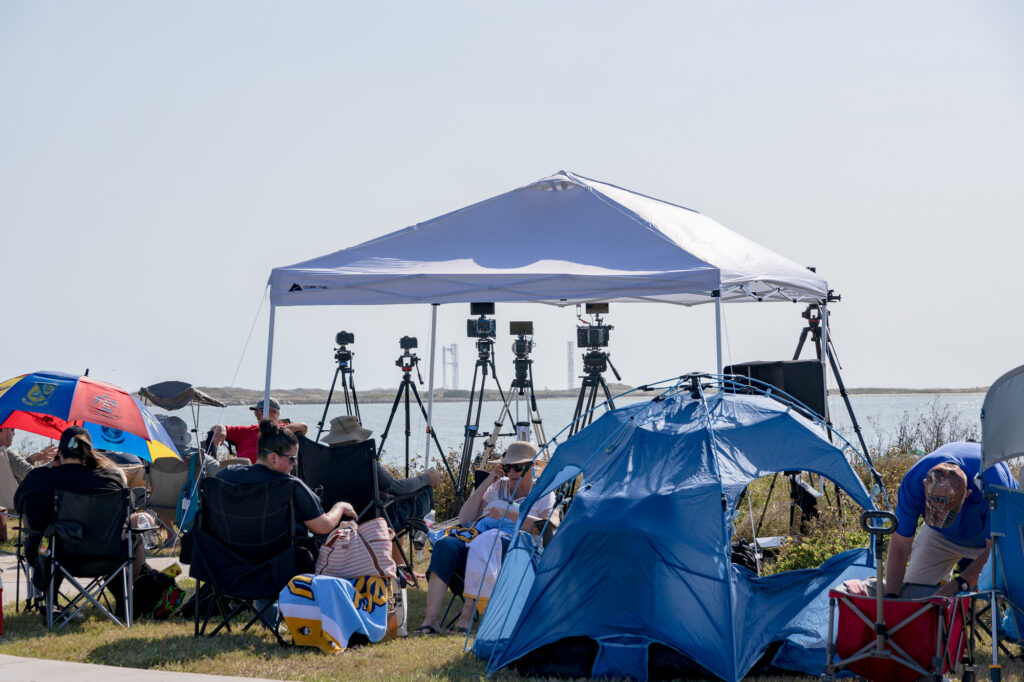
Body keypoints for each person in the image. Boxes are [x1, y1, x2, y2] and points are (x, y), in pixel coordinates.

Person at [415, 441, 554, 635]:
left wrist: (511, 513)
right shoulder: (498, 487)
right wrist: (489, 481)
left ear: (533, 469)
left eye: (518, 467)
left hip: (513, 551)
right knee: (445, 545)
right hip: (477, 540)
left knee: (487, 541)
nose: (511, 472)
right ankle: (430, 621)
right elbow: (465, 519)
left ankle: (467, 613)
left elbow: (549, 527)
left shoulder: (543, 493)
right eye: (507, 467)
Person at [14, 426, 151, 617]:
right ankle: (124, 602)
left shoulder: (39, 478)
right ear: (88, 453)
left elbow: (19, 506)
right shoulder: (110, 479)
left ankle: (51, 601)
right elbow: (128, 510)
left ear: (59, 453)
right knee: (131, 538)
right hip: (107, 556)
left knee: (47, 537)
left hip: (53, 556)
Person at [884, 441, 1018, 599]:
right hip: (940, 536)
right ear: (925, 485)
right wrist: (891, 598)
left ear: (967, 494)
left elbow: (994, 553)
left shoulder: (992, 484)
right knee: (916, 594)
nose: (940, 516)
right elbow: (900, 545)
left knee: (1013, 590)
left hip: (993, 541)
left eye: (947, 513)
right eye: (934, 511)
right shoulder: (913, 482)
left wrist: (957, 585)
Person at [217, 420, 355, 538]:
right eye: (292, 458)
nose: (294, 463)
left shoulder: (225, 476)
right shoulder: (291, 486)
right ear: (273, 458)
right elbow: (322, 527)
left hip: (226, 560)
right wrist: (341, 506)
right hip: (279, 562)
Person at [319, 414, 442, 533]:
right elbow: (400, 488)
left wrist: (374, 492)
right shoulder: (363, 462)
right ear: (353, 441)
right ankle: (425, 535)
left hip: (335, 520)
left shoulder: (321, 463)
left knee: (389, 498)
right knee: (426, 492)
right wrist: (427, 478)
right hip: (373, 521)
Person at [210, 397, 307, 464]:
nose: (256, 415)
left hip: (271, 477)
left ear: (273, 412)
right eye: (255, 412)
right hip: (243, 475)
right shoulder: (247, 431)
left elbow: (303, 427)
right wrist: (221, 428)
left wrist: (277, 431)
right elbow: (216, 427)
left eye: (260, 411)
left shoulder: (284, 428)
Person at [0, 427, 58, 510]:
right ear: (4, 430)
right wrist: (57, 460)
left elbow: (9, 476)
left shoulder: (6, 458)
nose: (14, 433)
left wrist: (30, 459)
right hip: (16, 510)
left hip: (3, 510)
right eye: (12, 430)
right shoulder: (7, 454)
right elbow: (34, 476)